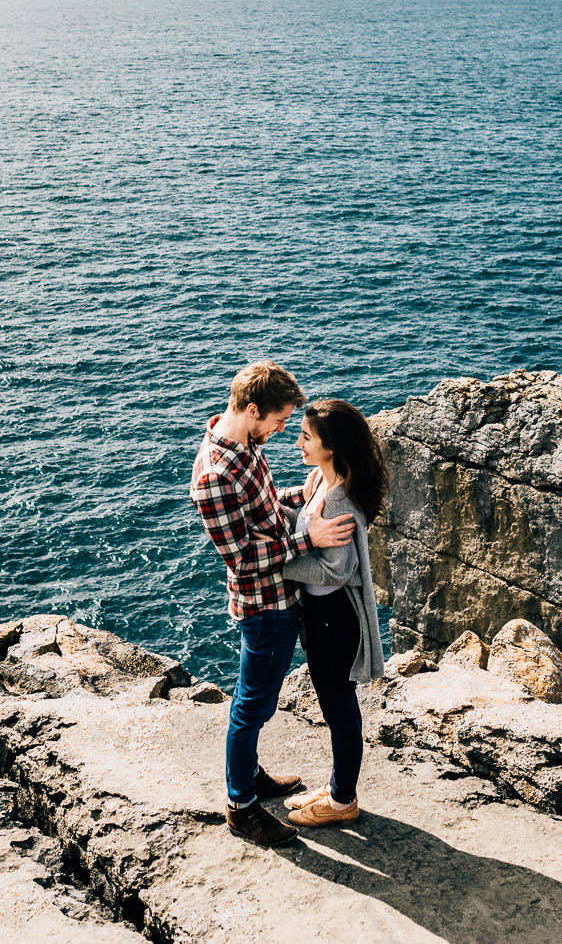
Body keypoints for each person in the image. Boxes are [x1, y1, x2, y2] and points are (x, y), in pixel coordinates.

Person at [191, 360, 357, 849]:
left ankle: (252, 777)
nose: (285, 429)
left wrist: (298, 498)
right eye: (281, 419)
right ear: (252, 409)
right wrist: (310, 537)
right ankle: (242, 807)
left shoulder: (246, 444)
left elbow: (260, 508)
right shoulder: (215, 475)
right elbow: (243, 556)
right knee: (252, 705)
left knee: (258, 700)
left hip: (281, 598)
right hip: (264, 606)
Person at [279, 398, 387, 829]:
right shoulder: (319, 480)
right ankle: (338, 785)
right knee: (333, 703)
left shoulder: (339, 500)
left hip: (335, 617)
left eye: (307, 437)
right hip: (322, 615)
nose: (298, 443)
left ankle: (342, 800)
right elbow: (308, 526)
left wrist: (277, 560)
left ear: (332, 446)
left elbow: (337, 568)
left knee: (339, 707)